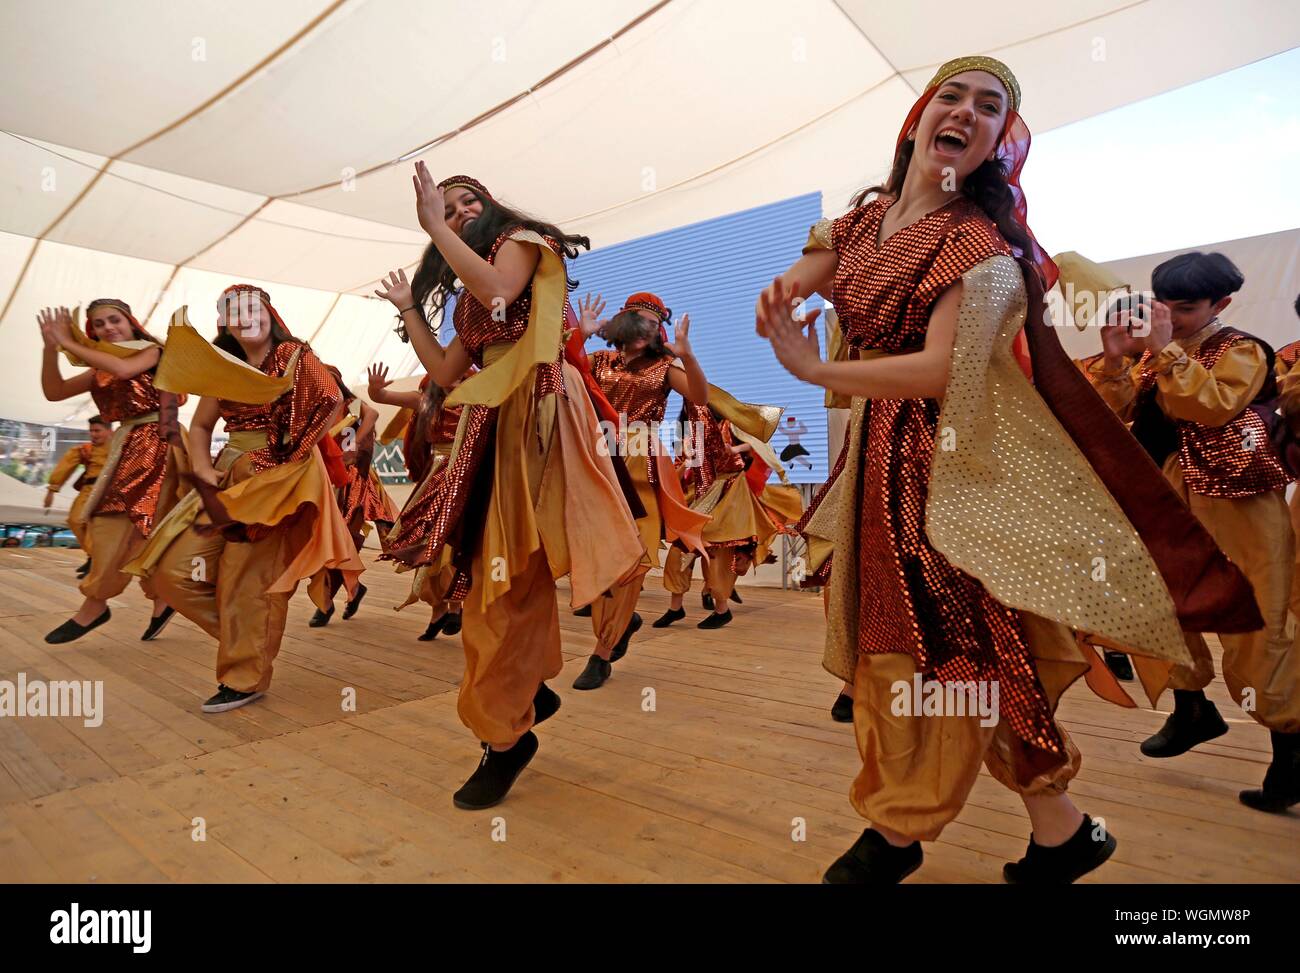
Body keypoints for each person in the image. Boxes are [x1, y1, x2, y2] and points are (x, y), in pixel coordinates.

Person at [757, 55, 1260, 882]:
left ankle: (898, 828)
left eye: (989, 107)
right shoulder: (863, 223)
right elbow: (805, 278)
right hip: (881, 461)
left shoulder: (982, 248)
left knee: (947, 640)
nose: (965, 111)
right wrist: (780, 302)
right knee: (957, 642)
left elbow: (940, 371)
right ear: (919, 118)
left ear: (998, 144)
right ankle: (1059, 831)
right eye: (951, 95)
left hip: (954, 464)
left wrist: (817, 373)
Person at [378, 166, 644, 810]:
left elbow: (502, 292)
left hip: (540, 412)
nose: (460, 209)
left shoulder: (520, 244)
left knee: (507, 581)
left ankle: (506, 733)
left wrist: (437, 230)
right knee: (489, 578)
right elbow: (444, 368)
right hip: (488, 422)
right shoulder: (466, 295)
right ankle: (519, 700)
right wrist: (412, 307)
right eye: (447, 206)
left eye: (470, 200)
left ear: (492, 208)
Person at [1084, 252, 1298, 812]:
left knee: (1257, 622)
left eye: (1187, 308)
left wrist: (1164, 350)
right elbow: (1112, 418)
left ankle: (1292, 750)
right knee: (1161, 604)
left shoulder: (1243, 349)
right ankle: (1191, 707)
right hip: (1169, 497)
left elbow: (1210, 407)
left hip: (1239, 508)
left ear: (1220, 305)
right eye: (1166, 306)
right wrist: (1112, 362)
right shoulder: (1156, 355)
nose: (1172, 317)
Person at [125, 285, 362, 713]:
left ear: (269, 312)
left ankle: (245, 673)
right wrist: (201, 468)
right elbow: (198, 428)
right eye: (234, 311)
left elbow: (333, 404)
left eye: (253, 307)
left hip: (281, 478)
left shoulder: (295, 356)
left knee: (250, 582)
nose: (245, 316)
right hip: (229, 473)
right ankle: (249, 638)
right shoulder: (222, 365)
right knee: (169, 572)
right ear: (224, 321)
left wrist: (292, 446)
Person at [564, 292, 710, 686]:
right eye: (641, 319)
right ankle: (620, 625)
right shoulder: (598, 361)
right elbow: (556, 371)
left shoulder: (665, 367)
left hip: (641, 465)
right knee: (601, 557)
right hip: (599, 459)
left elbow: (700, 396)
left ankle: (602, 652)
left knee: (632, 559)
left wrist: (688, 358)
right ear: (624, 323)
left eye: (654, 321)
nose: (648, 327)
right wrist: (579, 334)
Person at [37, 302, 184, 643]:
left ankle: (95, 604)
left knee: (129, 524)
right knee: (139, 528)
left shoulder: (151, 351)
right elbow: (54, 391)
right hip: (130, 443)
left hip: (159, 440)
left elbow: (121, 369)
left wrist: (70, 343)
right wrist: (50, 348)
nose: (108, 327)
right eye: (99, 324)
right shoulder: (98, 367)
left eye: (114, 320)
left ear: (131, 322)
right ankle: (161, 598)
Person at [656, 397, 802, 628]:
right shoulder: (688, 434)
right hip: (701, 495)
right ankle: (676, 607)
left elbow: (758, 445)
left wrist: (733, 448)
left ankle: (721, 609)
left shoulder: (730, 425)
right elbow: (680, 469)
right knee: (681, 549)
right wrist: (687, 461)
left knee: (718, 552)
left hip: (729, 492)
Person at [369, 362, 468, 641]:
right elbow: (384, 398)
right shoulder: (424, 401)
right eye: (454, 374)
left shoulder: (476, 402)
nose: (458, 380)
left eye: (463, 376)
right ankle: (437, 610)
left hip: (463, 477)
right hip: (434, 477)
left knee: (455, 542)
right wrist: (375, 390)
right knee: (426, 542)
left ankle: (456, 605)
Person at [306, 365, 400, 627]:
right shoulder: (316, 409)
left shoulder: (350, 403)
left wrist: (355, 444)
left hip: (355, 481)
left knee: (341, 537)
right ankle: (351, 589)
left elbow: (373, 413)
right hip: (327, 483)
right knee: (327, 541)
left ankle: (332, 600)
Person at [44, 415, 112, 578]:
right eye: (91, 431)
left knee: (99, 528)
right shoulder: (86, 450)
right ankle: (93, 557)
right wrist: (52, 490)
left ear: (110, 431)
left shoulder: (121, 448)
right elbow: (66, 464)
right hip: (88, 490)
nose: (93, 434)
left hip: (110, 492)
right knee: (75, 520)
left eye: (97, 430)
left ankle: (96, 563)